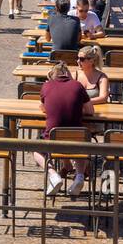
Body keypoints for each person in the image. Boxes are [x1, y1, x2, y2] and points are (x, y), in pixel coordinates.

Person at [34, 63, 89, 198]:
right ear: (68, 74)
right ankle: (80, 176)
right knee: (82, 146)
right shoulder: (77, 85)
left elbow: (43, 107)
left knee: (36, 149)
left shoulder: (46, 86)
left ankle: (53, 175)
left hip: (53, 139)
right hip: (77, 139)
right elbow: (90, 111)